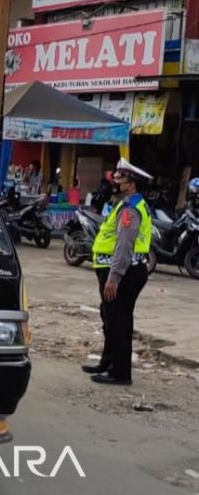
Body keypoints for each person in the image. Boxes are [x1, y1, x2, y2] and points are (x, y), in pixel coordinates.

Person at [83, 158, 153, 385]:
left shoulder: (131, 209)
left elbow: (124, 246)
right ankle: (108, 362)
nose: (114, 181)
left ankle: (120, 373)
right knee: (109, 316)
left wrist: (113, 278)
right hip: (118, 269)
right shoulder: (125, 204)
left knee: (119, 322)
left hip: (124, 272)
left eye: (119, 178)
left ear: (131, 184)